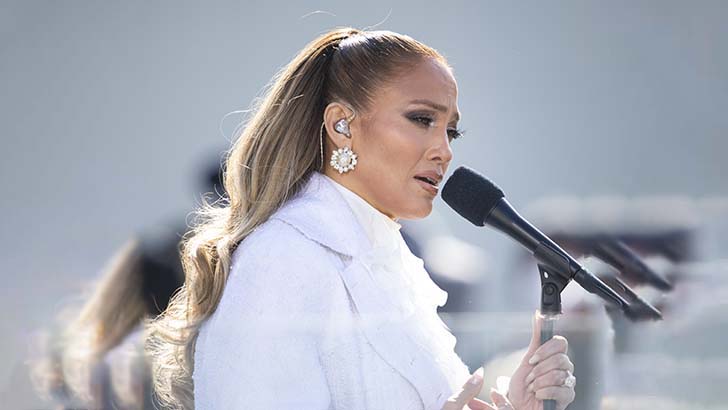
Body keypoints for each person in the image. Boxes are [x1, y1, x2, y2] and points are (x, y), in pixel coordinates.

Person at [147, 27, 577, 410]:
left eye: (451, 131)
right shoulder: (282, 258)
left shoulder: (390, 264)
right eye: (422, 119)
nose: (444, 151)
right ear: (341, 125)